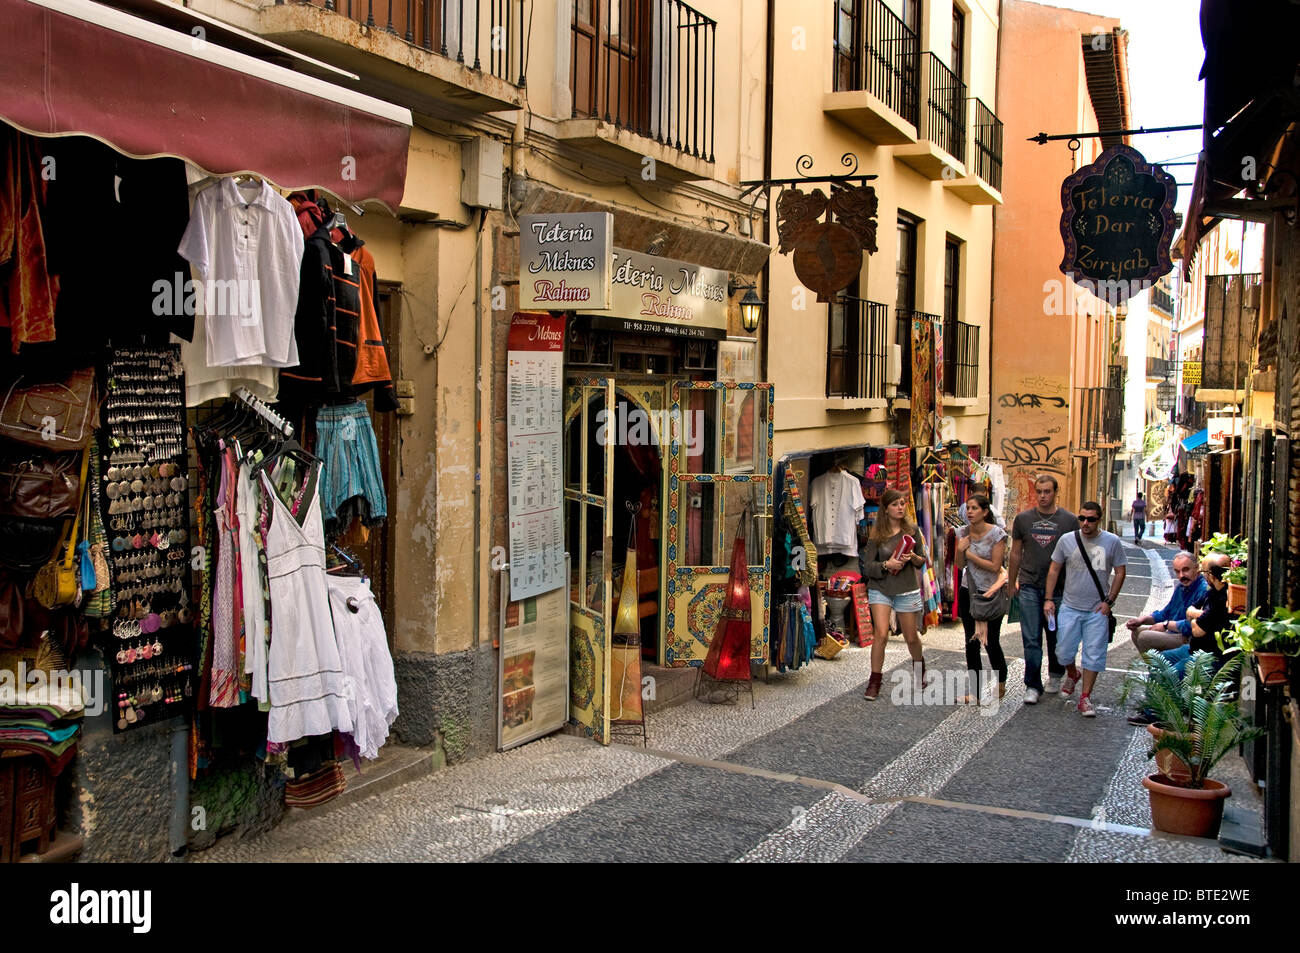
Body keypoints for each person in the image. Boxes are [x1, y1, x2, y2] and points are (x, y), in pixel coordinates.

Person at [1044, 501, 1128, 717]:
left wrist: (1109, 601)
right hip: (1070, 606)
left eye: (1091, 519)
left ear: (1099, 519)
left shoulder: (1111, 541)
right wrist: (1049, 598)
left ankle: (1085, 698)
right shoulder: (1067, 540)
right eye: (1082, 518)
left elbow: (1120, 571)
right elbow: (1054, 568)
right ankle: (1072, 673)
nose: (1085, 523)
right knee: (1062, 652)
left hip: (1096, 610)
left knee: (1094, 655)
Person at [1008, 474, 1079, 704]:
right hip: (1029, 584)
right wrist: (1011, 582)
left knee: (1056, 635)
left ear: (1055, 492)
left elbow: (1076, 555)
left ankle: (1056, 674)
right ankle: (1032, 685)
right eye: (1039, 491)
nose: (1043, 496)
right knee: (1031, 637)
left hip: (1059, 589)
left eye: (1047, 491)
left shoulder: (1069, 521)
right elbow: (1016, 552)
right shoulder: (1023, 520)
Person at [860, 488, 929, 701]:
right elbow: (867, 567)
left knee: (911, 637)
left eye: (902, 503)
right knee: (881, 634)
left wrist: (912, 557)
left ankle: (919, 667)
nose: (900, 507)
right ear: (886, 509)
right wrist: (885, 564)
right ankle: (875, 681)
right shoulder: (876, 534)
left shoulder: (912, 530)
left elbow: (923, 560)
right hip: (881, 588)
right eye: (895, 504)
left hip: (906, 588)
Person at [955, 494, 1009, 703]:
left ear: (985, 512)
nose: (970, 512)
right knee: (971, 642)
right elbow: (959, 565)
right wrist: (961, 551)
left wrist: (969, 555)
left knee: (991, 642)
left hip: (991, 592)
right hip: (969, 590)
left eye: (975, 508)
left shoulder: (997, 534)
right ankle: (976, 692)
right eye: (968, 508)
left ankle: (1001, 682)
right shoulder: (962, 532)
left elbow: (995, 566)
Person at [1125, 552, 1206, 653]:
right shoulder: (1181, 588)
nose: (1181, 576)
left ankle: (1161, 667)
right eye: (1177, 571)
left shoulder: (1203, 589)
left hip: (1188, 637)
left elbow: (1194, 625)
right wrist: (1143, 619)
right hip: (1174, 631)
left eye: (1185, 570)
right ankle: (1158, 666)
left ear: (1196, 568)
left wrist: (1166, 625)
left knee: (1145, 637)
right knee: (1136, 631)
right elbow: (1165, 613)